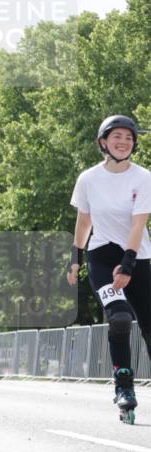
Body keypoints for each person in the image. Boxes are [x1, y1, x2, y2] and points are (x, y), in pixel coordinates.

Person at [67, 115, 151, 423]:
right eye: (117, 137)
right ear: (104, 142)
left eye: (129, 138)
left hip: (137, 257)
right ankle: (124, 388)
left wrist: (128, 263)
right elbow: (84, 220)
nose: (123, 142)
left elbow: (139, 223)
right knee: (118, 319)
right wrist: (75, 254)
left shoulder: (143, 177)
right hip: (101, 256)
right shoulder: (88, 178)